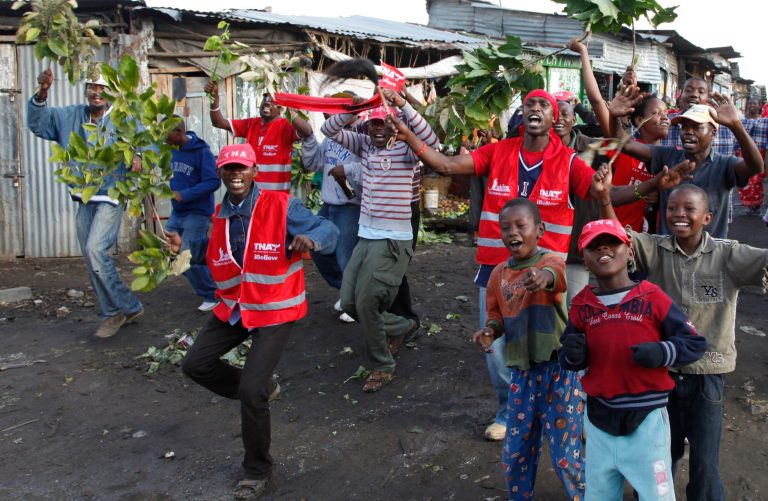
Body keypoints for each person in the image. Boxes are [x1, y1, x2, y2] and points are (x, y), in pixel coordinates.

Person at [391, 89, 609, 441]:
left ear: (554, 119)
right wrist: (411, 138)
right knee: (496, 346)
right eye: (529, 104)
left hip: (547, 272)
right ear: (522, 115)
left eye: (543, 105)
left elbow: (604, 196)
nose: (535, 108)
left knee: (560, 342)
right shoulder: (498, 152)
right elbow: (445, 165)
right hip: (496, 267)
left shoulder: (568, 161)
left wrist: (652, 186)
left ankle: (567, 408)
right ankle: (511, 410)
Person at [174, 143, 338, 500]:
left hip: (276, 309)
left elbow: (328, 229)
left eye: (242, 168)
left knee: (250, 390)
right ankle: (264, 389)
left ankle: (257, 470)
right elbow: (211, 251)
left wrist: (311, 239)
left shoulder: (281, 206)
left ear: (254, 172)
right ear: (220, 173)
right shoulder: (221, 214)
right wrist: (182, 251)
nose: (236, 175)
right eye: (229, 169)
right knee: (195, 365)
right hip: (237, 305)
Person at [606, 183, 768, 501]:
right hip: (663, 374)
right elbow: (617, 236)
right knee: (660, 454)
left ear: (707, 217)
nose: (679, 214)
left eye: (689, 209)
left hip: (708, 374)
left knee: (705, 461)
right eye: (672, 208)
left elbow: (763, 261)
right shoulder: (656, 248)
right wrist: (602, 198)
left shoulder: (728, 253)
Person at [560, 217, 705, 501]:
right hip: (599, 418)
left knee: (656, 494)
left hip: (647, 418)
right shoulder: (581, 304)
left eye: (613, 241)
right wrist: (574, 355)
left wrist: (663, 352)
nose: (604, 247)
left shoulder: (652, 297)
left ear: (630, 252)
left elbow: (694, 343)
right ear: (584, 260)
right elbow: (568, 355)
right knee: (600, 493)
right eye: (593, 245)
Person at [320, 88, 439, 393]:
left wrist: (402, 105)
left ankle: (382, 364)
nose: (378, 129)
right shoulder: (364, 147)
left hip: (392, 239)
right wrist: (354, 108)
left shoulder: (406, 150)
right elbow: (328, 128)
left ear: (393, 125)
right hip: (365, 236)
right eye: (373, 124)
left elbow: (433, 143)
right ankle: (403, 325)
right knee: (348, 301)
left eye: (384, 123)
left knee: (367, 302)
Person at [470, 198, 584, 501]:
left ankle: (583, 496)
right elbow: (496, 315)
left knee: (565, 451)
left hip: (559, 371)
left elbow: (556, 277)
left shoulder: (550, 261)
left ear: (540, 229)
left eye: (521, 225)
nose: (512, 232)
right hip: (522, 373)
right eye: (506, 227)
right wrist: (490, 331)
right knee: (517, 449)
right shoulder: (498, 275)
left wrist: (541, 278)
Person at [27, 68, 144, 338]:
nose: (96, 92)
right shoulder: (71, 116)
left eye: (102, 88)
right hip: (84, 197)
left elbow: (145, 144)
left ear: (111, 92)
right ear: (86, 90)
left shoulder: (123, 119)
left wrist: (138, 156)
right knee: (91, 258)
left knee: (94, 249)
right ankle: (128, 305)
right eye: (92, 86)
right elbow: (39, 123)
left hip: (112, 195)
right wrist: (42, 93)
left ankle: (113, 314)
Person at [608, 90, 764, 238]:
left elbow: (756, 166)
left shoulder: (725, 165)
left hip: (709, 259)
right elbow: (626, 144)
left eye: (697, 127)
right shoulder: (667, 155)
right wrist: (614, 116)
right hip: (668, 254)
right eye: (685, 127)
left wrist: (736, 125)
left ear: (713, 133)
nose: (688, 131)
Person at [301, 93, 363, 323]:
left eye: (333, 109)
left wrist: (346, 172)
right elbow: (312, 163)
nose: (328, 114)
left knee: (345, 256)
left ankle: (354, 301)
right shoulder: (329, 138)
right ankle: (347, 293)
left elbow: (365, 172)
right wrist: (307, 138)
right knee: (319, 250)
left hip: (349, 206)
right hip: (329, 205)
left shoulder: (360, 135)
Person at [204, 80, 312, 192]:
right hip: (252, 197)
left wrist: (291, 111)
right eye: (265, 99)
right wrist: (214, 99)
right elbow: (218, 122)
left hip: (276, 198)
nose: (267, 103)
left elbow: (308, 131)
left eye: (273, 101)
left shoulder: (286, 126)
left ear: (281, 108)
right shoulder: (252, 124)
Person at [165, 118, 220, 311]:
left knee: (187, 256)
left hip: (197, 213)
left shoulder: (202, 152)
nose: (164, 139)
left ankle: (212, 295)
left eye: (167, 134)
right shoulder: (170, 150)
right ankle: (214, 281)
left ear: (179, 132)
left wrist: (185, 195)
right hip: (177, 213)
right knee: (167, 251)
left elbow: (213, 182)